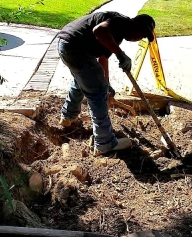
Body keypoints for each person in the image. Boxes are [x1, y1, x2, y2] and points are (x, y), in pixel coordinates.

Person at [57, 12, 156, 155]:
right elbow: (99, 30)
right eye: (140, 33)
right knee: (97, 93)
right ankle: (105, 142)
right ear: (134, 23)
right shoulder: (121, 23)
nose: (138, 38)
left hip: (67, 44)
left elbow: (103, 58)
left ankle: (67, 117)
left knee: (83, 80)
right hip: (74, 47)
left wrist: (107, 84)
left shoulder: (117, 34)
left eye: (142, 36)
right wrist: (120, 54)